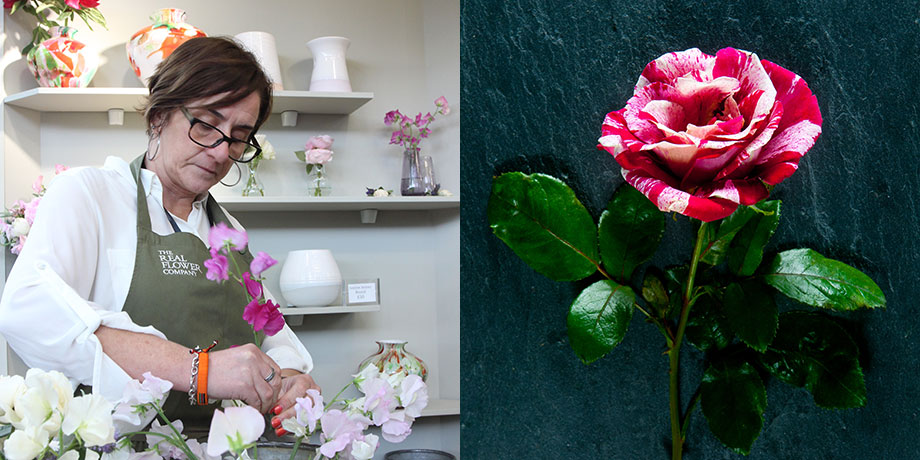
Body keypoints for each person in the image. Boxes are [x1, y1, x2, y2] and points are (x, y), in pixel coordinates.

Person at [0, 37, 318, 435]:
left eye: (239, 136)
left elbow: (271, 329)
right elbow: (28, 311)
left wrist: (290, 378)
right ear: (158, 116)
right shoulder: (91, 194)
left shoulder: (228, 230)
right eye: (206, 124)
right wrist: (197, 370)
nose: (222, 152)